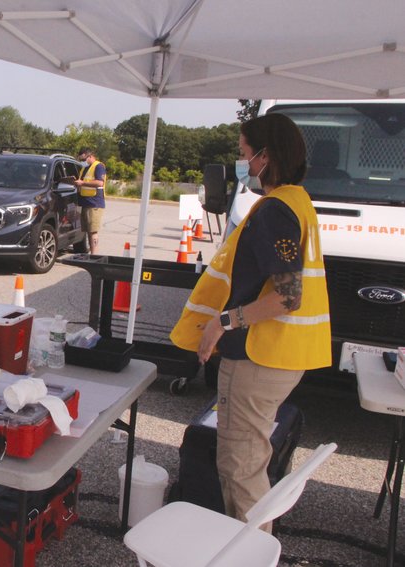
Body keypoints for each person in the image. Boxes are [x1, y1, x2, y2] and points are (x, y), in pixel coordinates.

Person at [169, 113, 331, 531]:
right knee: (247, 461)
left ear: (265, 156)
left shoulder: (275, 211)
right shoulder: (297, 200)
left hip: (261, 357)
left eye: (244, 153)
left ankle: (251, 552)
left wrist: (224, 321)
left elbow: (287, 296)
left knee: (241, 469)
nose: (242, 162)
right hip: (280, 356)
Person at [73, 148, 106, 254]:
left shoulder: (99, 166)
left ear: (90, 155)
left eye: (84, 159)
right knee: (88, 231)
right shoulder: (85, 168)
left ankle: (94, 255)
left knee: (93, 231)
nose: (83, 161)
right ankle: (91, 253)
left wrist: (82, 183)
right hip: (85, 203)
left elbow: (100, 183)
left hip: (94, 203)